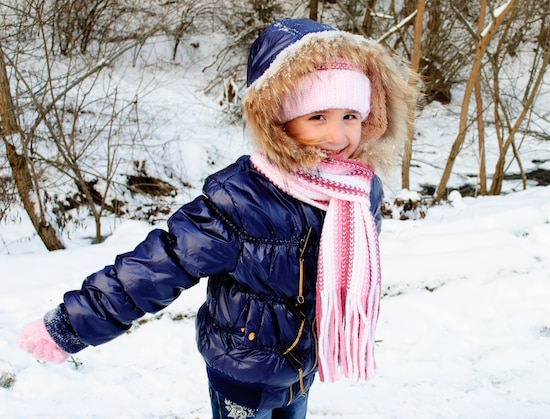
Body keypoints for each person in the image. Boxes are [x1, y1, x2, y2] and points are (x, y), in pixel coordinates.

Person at [18, 18, 410, 418]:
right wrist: (73, 323)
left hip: (304, 367)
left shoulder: (358, 188)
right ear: (280, 119)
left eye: (350, 116)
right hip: (242, 372)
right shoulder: (241, 197)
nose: (337, 136)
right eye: (317, 118)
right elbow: (159, 264)